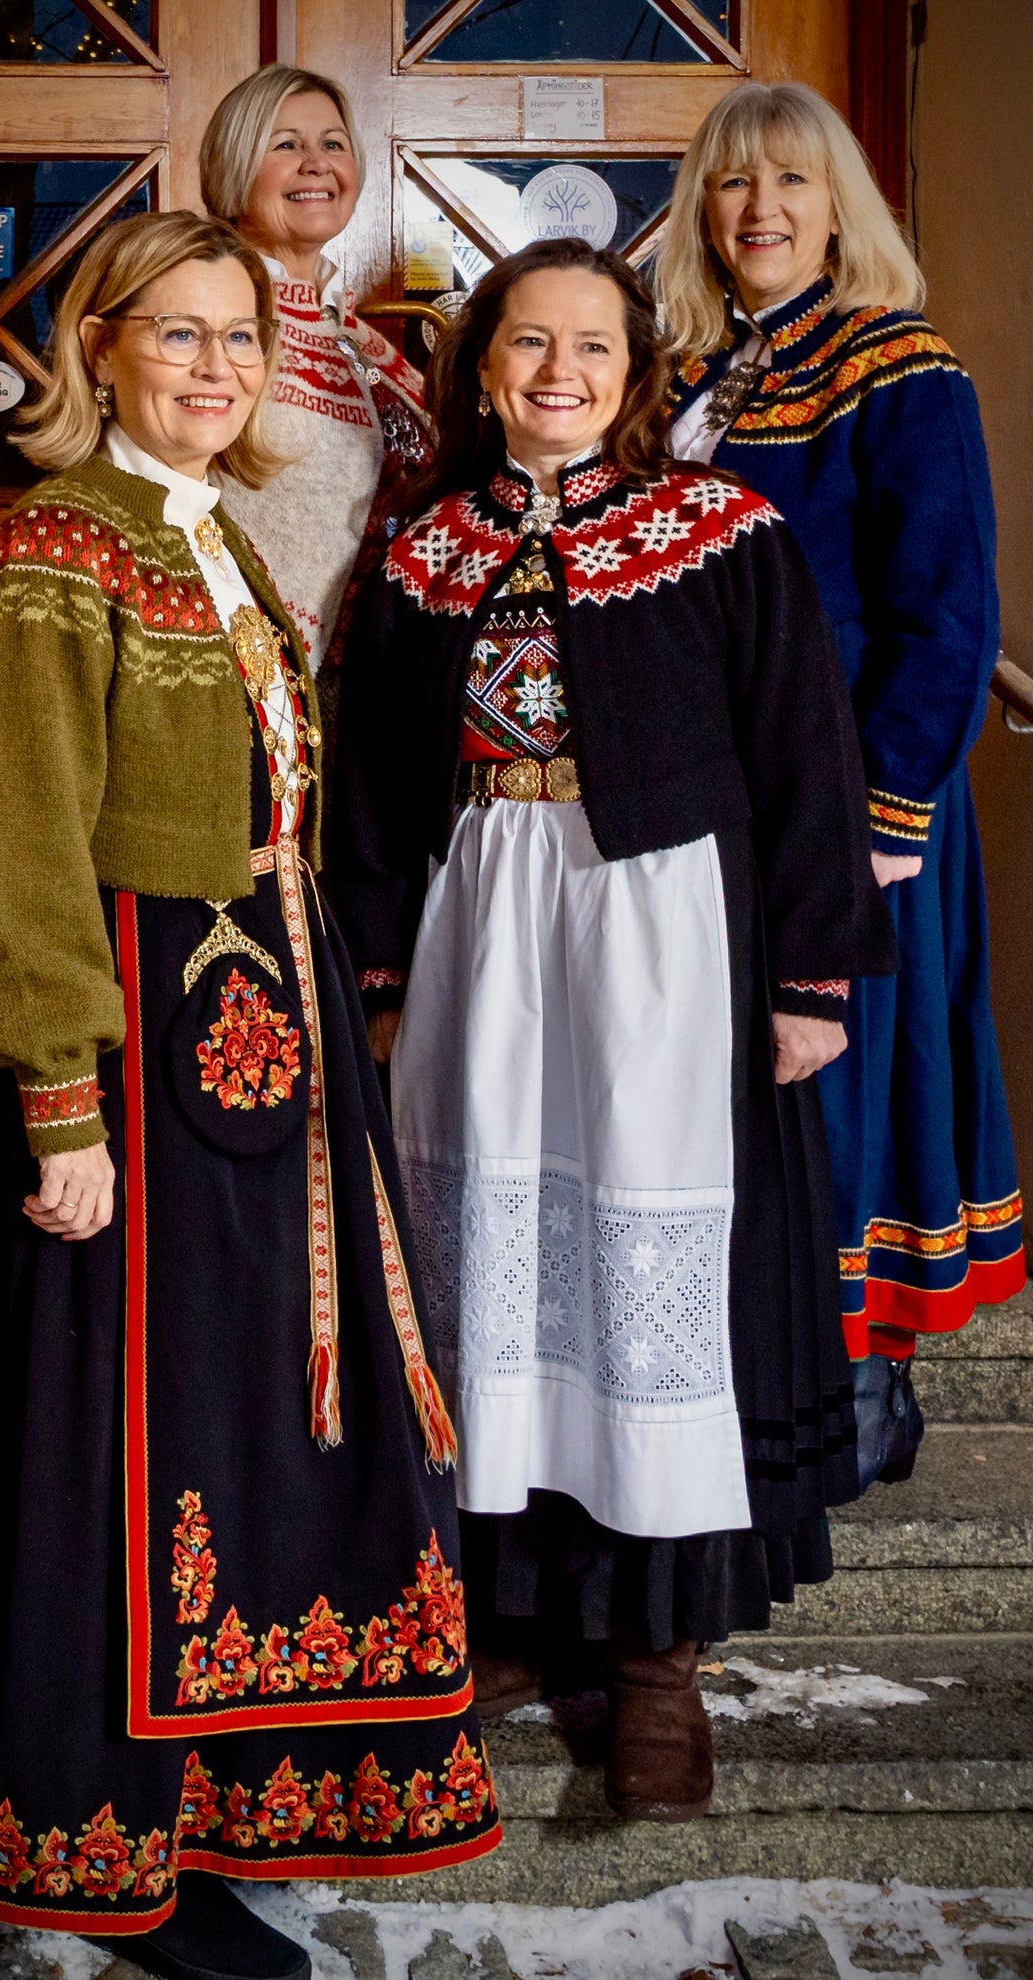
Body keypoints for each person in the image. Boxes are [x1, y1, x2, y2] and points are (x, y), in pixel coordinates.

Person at [0, 211, 500, 1980]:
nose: (214, 365)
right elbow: (17, 854)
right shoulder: (50, 554)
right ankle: (106, 1858)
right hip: (126, 1057)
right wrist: (59, 1109)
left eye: (237, 337)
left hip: (260, 1036)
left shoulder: (219, 541)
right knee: (114, 1440)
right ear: (100, 345)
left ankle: (207, 1815)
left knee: (228, 1433)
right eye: (175, 334)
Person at [329, 237, 897, 1823]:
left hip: (662, 939)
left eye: (591, 345)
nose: (558, 372)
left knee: (654, 1280)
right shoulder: (427, 549)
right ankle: (518, 1619)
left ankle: (655, 1668)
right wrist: (375, 972)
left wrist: (808, 980)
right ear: (482, 366)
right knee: (490, 1272)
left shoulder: (723, 534)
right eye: (526, 344)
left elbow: (803, 754)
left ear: (637, 370)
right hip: (478, 933)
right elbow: (373, 785)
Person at [657, 81, 1026, 1490]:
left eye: (790, 186)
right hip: (721, 805)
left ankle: (857, 1396)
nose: (758, 211)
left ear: (838, 208)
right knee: (743, 1096)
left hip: (850, 811)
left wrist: (881, 824)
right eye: (733, 185)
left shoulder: (898, 362)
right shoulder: (701, 370)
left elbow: (949, 612)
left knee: (844, 1096)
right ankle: (762, 1383)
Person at [200, 64, 431, 688]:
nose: (315, 163)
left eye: (333, 143)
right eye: (285, 144)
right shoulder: (215, 313)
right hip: (259, 670)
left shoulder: (349, 325)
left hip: (384, 669)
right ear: (234, 166)